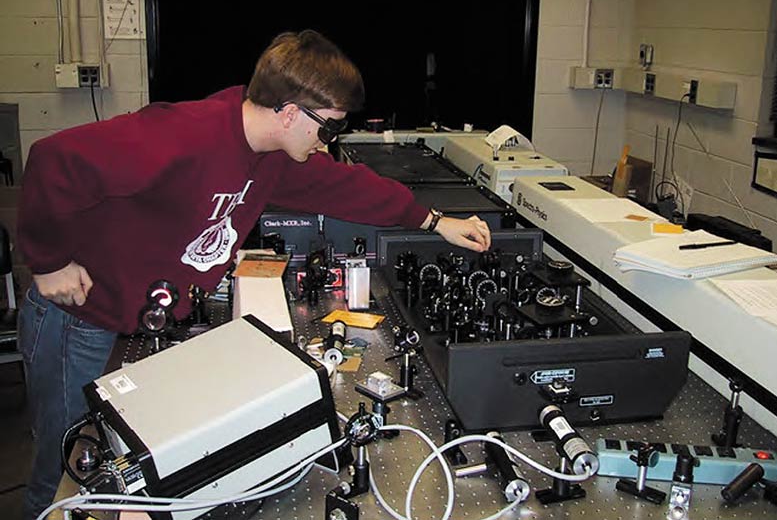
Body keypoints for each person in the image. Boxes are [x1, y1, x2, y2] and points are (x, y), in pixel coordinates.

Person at [16, 29, 491, 519]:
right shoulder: (184, 134)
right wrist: (49, 261)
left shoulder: (267, 157)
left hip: (135, 320)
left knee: (115, 475)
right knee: (69, 477)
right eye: (328, 129)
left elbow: (343, 187)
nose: (330, 144)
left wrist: (434, 221)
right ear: (290, 113)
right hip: (78, 319)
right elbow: (55, 161)